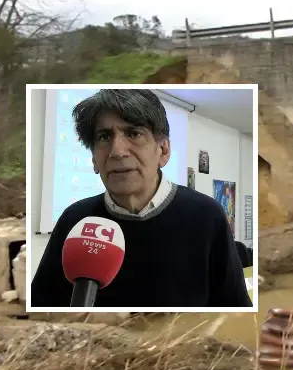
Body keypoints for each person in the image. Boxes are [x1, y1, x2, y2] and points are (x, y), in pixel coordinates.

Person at [30, 89, 252, 308]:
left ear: (163, 150)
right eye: (104, 137)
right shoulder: (74, 220)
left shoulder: (206, 215)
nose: (117, 151)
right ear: (94, 160)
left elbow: (235, 310)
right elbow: (41, 307)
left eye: (134, 133)